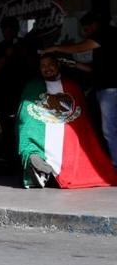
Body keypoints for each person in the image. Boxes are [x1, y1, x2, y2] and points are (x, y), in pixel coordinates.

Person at [18, 53, 117, 188]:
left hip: (67, 127)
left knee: (76, 138)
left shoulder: (72, 86)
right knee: (29, 132)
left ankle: (46, 172)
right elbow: (26, 114)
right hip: (42, 127)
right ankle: (37, 164)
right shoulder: (32, 86)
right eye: (43, 66)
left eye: (50, 64)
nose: (47, 69)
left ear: (58, 65)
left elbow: (81, 117)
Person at [46, 11, 117, 168]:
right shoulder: (106, 40)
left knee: (109, 129)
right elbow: (95, 69)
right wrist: (74, 64)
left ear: (94, 25)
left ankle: (116, 165)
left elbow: (78, 48)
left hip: (110, 90)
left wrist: (54, 48)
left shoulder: (106, 33)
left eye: (86, 29)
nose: (85, 34)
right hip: (104, 88)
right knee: (108, 128)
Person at [0, 16, 35, 175]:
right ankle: (11, 165)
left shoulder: (25, 45)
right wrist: (7, 55)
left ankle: (26, 163)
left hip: (24, 94)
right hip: (4, 94)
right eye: (5, 29)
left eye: (11, 29)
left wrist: (22, 52)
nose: (8, 32)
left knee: (25, 128)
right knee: (7, 131)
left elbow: (34, 66)